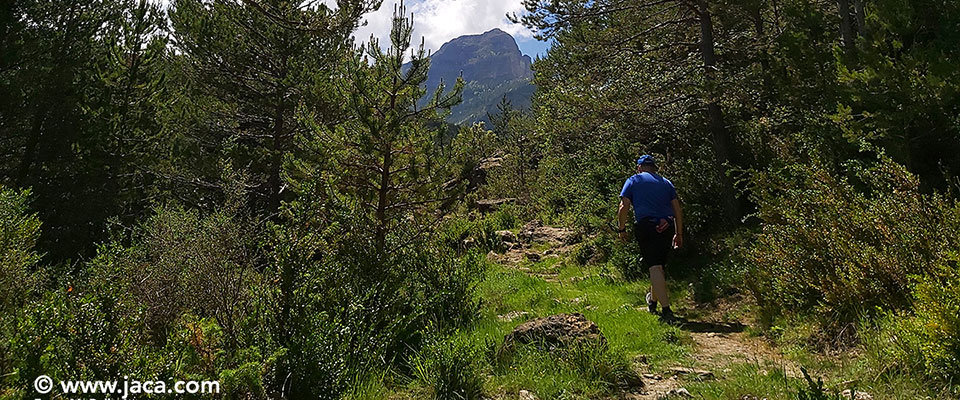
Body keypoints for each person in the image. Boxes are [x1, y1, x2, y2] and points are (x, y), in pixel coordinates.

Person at [617, 155, 684, 322]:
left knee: (654, 267)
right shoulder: (666, 183)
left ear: (639, 167)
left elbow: (623, 206)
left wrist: (621, 229)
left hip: (647, 226)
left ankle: (666, 310)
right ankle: (652, 302)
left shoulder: (633, 180)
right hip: (666, 226)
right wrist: (679, 232)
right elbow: (677, 209)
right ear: (654, 168)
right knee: (659, 268)